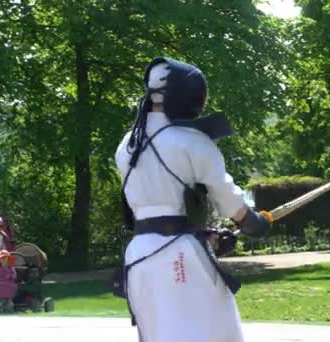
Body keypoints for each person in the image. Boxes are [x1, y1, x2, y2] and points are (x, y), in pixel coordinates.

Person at [115, 57, 272, 342]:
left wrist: (207, 236)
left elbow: (157, 209)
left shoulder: (126, 146)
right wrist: (253, 223)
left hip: (138, 255)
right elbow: (229, 201)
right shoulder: (192, 141)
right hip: (179, 255)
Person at [0, 249, 17, 313]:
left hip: (8, 283)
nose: (4, 260)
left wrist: (10, 276)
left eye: (5, 259)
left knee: (11, 286)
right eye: (2, 258)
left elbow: (14, 275)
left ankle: (9, 304)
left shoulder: (10, 267)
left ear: (8, 259)